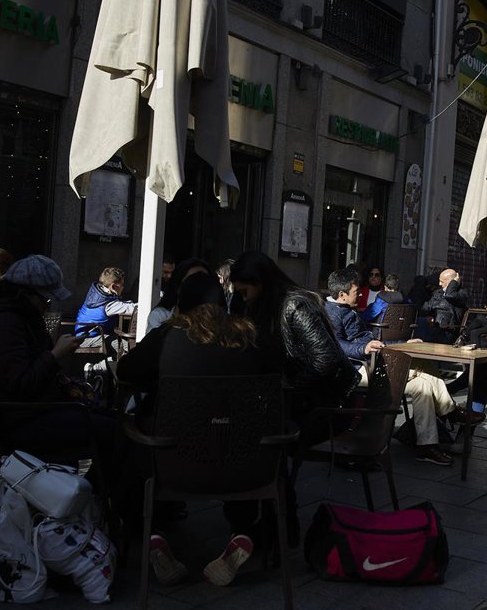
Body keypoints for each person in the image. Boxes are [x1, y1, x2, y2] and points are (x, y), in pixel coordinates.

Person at [119, 273, 270, 587]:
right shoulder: (248, 337)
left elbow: (126, 370)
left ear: (181, 304)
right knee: (232, 431)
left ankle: (154, 532)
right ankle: (243, 531)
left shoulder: (166, 337)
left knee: (133, 435)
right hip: (242, 465)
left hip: (173, 462)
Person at [0, 254, 122, 466]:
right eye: (46, 300)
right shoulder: (4, 323)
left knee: (119, 422)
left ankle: (94, 484)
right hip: (26, 419)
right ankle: (96, 485)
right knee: (120, 432)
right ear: (26, 294)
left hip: (36, 410)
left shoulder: (18, 316)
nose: (48, 308)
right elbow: (20, 384)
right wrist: (55, 355)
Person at [323, 269, 481, 466]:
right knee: (422, 364)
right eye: (357, 291)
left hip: (373, 363)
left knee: (423, 385)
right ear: (342, 294)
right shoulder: (331, 313)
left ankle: (427, 445)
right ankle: (450, 411)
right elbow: (336, 345)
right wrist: (363, 348)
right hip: (357, 371)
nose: (361, 294)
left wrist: (404, 343)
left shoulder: (347, 309)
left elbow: (377, 343)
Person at [228, 251, 356, 424]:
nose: (244, 299)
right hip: (298, 400)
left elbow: (326, 357)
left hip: (321, 405)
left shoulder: (295, 305)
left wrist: (291, 388)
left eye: (245, 292)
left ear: (260, 282)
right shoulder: (264, 308)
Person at [145, 258, 211, 332]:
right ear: (178, 287)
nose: (198, 286)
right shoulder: (160, 316)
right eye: (191, 281)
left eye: (204, 281)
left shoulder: (215, 318)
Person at [74, 267, 137, 345]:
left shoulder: (96, 295)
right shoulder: (109, 305)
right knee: (125, 346)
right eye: (122, 284)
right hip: (89, 338)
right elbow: (133, 309)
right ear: (113, 287)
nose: (123, 287)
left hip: (82, 336)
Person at [416, 268, 467, 343]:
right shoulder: (438, 292)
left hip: (447, 330)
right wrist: (429, 317)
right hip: (434, 326)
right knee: (418, 322)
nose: (439, 284)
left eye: (442, 281)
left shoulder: (461, 294)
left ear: (450, 282)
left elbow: (450, 295)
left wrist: (454, 282)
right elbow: (426, 307)